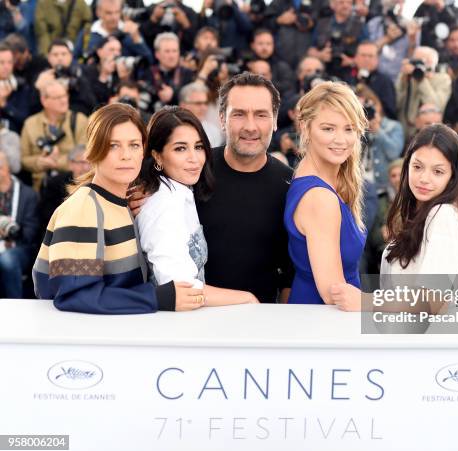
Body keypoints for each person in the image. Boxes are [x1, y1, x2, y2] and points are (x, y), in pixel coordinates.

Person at [130, 72, 294, 304]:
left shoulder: (292, 185)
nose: (250, 126)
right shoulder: (192, 173)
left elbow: (292, 269)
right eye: (238, 114)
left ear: (276, 120)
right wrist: (141, 190)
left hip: (263, 321)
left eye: (261, 115)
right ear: (221, 118)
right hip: (197, 325)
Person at [33, 102, 205, 314]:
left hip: (116, 332)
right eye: (113, 145)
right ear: (93, 151)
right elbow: (74, 295)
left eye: (134, 145)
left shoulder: (123, 201)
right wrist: (157, 297)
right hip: (79, 338)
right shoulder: (84, 207)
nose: (126, 155)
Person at [136, 106, 258, 305]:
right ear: (157, 155)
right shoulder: (164, 204)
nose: (194, 158)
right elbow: (179, 288)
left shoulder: (181, 191)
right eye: (180, 148)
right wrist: (247, 298)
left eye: (199, 147)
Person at [284, 81, 367, 306]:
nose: (341, 140)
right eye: (328, 128)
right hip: (323, 323)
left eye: (349, 128)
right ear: (304, 126)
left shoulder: (323, 177)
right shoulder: (320, 198)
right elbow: (336, 295)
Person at [381, 123, 458, 279]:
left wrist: (366, 299)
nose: (424, 179)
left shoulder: (444, 216)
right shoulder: (415, 215)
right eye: (417, 167)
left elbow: (433, 301)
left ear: (452, 176)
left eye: (437, 171)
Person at [20, 80, 88, 192]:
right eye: (58, 98)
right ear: (44, 100)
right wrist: (39, 162)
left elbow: (86, 157)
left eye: (65, 95)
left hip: (73, 188)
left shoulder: (79, 120)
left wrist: (55, 163)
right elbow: (23, 159)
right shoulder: (30, 124)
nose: (64, 100)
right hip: (40, 188)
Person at [0, 150, 38, 298]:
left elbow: (31, 233)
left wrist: (11, 231)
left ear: (4, 169)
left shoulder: (27, 194)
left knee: (7, 260)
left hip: (21, 247)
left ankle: (16, 306)